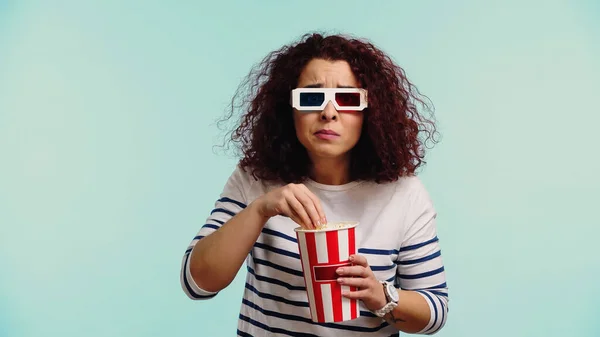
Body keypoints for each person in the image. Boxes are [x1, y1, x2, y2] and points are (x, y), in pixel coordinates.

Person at [180, 32, 449, 336]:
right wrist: (259, 210)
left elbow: (435, 311)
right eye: (311, 97)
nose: (329, 112)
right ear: (288, 109)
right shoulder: (255, 178)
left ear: (370, 112)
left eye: (348, 99)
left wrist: (381, 296)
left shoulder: (404, 194)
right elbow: (196, 283)